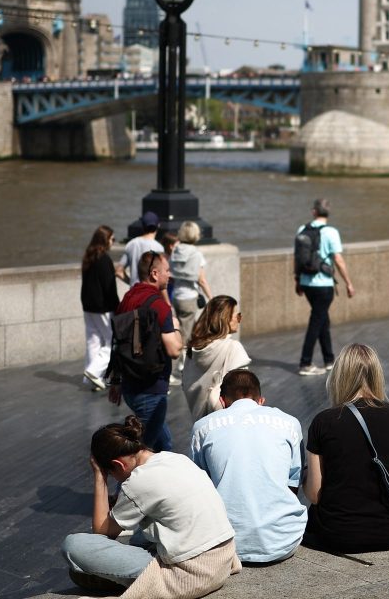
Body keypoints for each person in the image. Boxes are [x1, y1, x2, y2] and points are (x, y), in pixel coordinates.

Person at [63, 416, 240, 595]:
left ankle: (128, 580)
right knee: (137, 532)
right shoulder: (176, 459)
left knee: (74, 544)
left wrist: (99, 477)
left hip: (189, 573)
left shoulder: (138, 482)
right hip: (222, 560)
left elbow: (102, 530)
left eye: (111, 473)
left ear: (118, 465)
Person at [301, 343, 389, 553]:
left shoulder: (324, 422)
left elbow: (315, 495)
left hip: (336, 535)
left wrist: (306, 476)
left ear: (340, 376)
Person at [190, 370, 307, 565]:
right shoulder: (290, 422)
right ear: (261, 400)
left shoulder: (202, 427)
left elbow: (201, 485)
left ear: (222, 401)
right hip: (285, 540)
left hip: (226, 543)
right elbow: (293, 483)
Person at [108, 250, 183, 453]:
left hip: (130, 387)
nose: (170, 275)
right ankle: (124, 485)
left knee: (163, 445)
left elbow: (117, 341)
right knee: (142, 454)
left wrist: (115, 381)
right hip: (151, 390)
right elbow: (175, 350)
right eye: (167, 270)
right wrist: (175, 325)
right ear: (154, 274)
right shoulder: (160, 307)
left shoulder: (127, 299)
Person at [295, 199, 354, 376]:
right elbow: (338, 260)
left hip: (307, 283)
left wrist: (297, 280)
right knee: (317, 321)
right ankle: (305, 363)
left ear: (314, 212)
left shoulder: (302, 230)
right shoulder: (331, 232)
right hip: (323, 284)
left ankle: (329, 360)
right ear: (328, 212)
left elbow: (297, 258)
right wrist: (348, 282)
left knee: (322, 319)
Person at [182, 296, 251, 423]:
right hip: (226, 424)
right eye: (238, 316)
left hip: (199, 422)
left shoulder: (193, 349)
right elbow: (243, 395)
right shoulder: (233, 348)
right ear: (226, 319)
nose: (240, 320)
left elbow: (186, 384)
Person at [166, 221, 213, 383]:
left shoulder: (176, 250)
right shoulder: (196, 253)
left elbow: (170, 272)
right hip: (189, 298)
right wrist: (211, 298)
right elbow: (201, 279)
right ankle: (170, 372)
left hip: (176, 296)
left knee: (177, 332)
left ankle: (180, 366)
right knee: (183, 338)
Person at [80, 225, 120, 393]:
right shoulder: (104, 260)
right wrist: (117, 307)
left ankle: (92, 379)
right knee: (113, 342)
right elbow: (109, 288)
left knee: (93, 340)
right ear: (105, 240)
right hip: (103, 307)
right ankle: (93, 372)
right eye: (112, 239)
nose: (113, 242)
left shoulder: (89, 257)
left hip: (88, 306)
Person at [121, 212, 163, 287]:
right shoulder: (159, 248)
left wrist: (131, 283)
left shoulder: (131, 244)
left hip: (135, 291)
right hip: (151, 292)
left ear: (142, 226)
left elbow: (119, 271)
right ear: (158, 225)